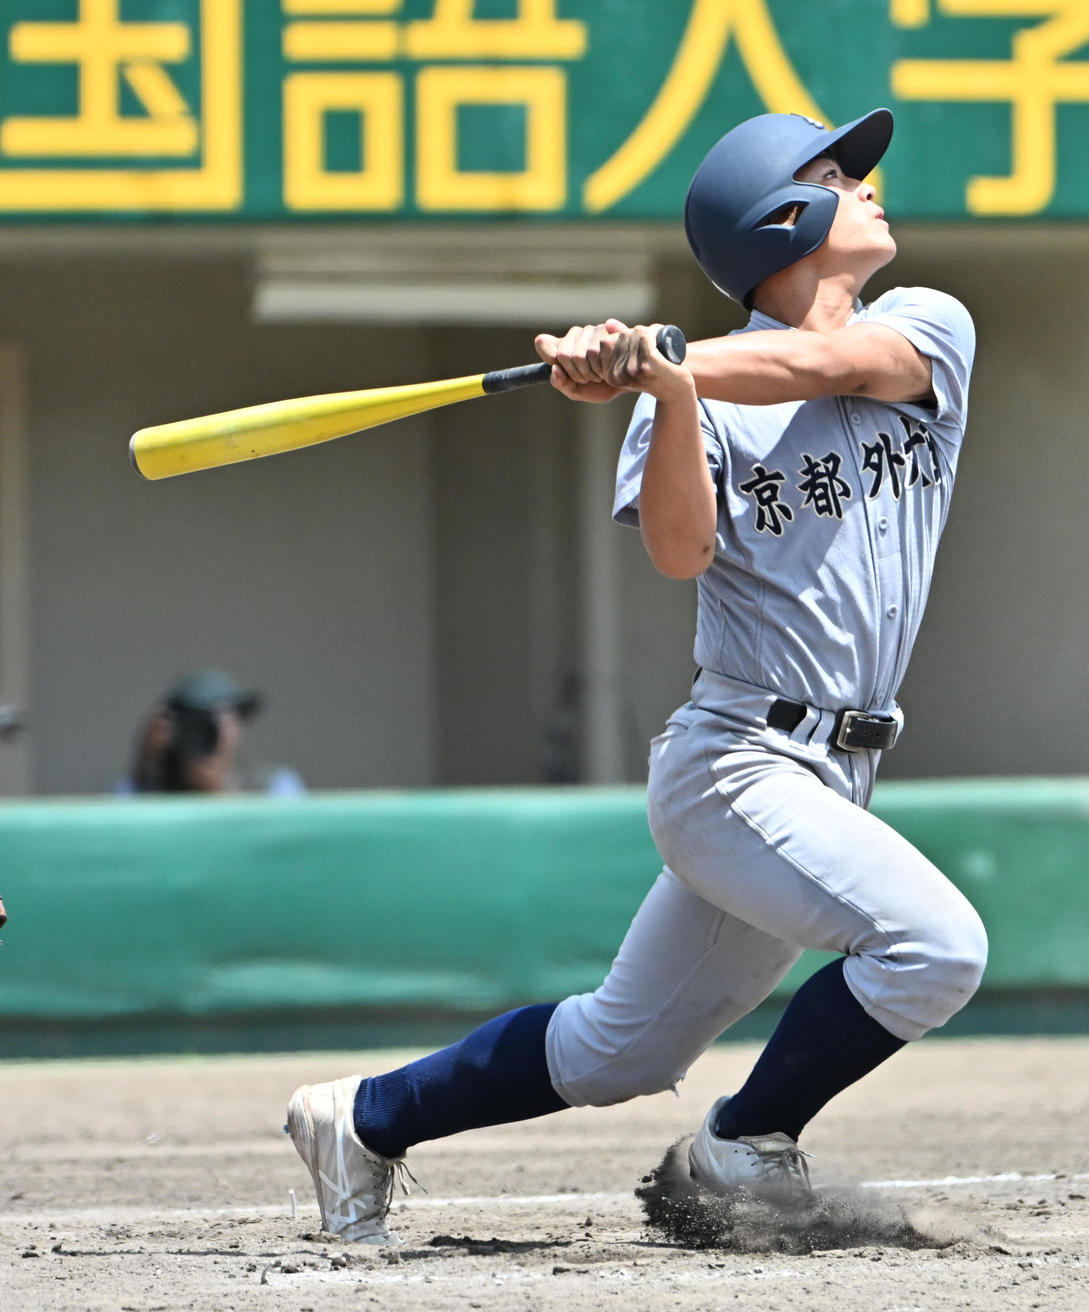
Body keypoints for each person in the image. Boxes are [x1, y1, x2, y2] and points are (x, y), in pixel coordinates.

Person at [285, 107, 987, 1244]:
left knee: (621, 1048)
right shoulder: (686, 401)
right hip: (737, 766)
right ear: (782, 217)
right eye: (833, 172)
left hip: (838, 769)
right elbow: (679, 553)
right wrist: (663, 397)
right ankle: (743, 1143)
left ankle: (362, 1118)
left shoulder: (924, 324)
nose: (865, 182)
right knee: (936, 947)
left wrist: (658, 358)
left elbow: (824, 361)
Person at [119, 669, 304, 796]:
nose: (203, 735)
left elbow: (289, 846)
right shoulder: (150, 794)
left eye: (213, 724)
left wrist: (220, 792)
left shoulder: (273, 787)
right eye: (193, 725)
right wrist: (144, 766)